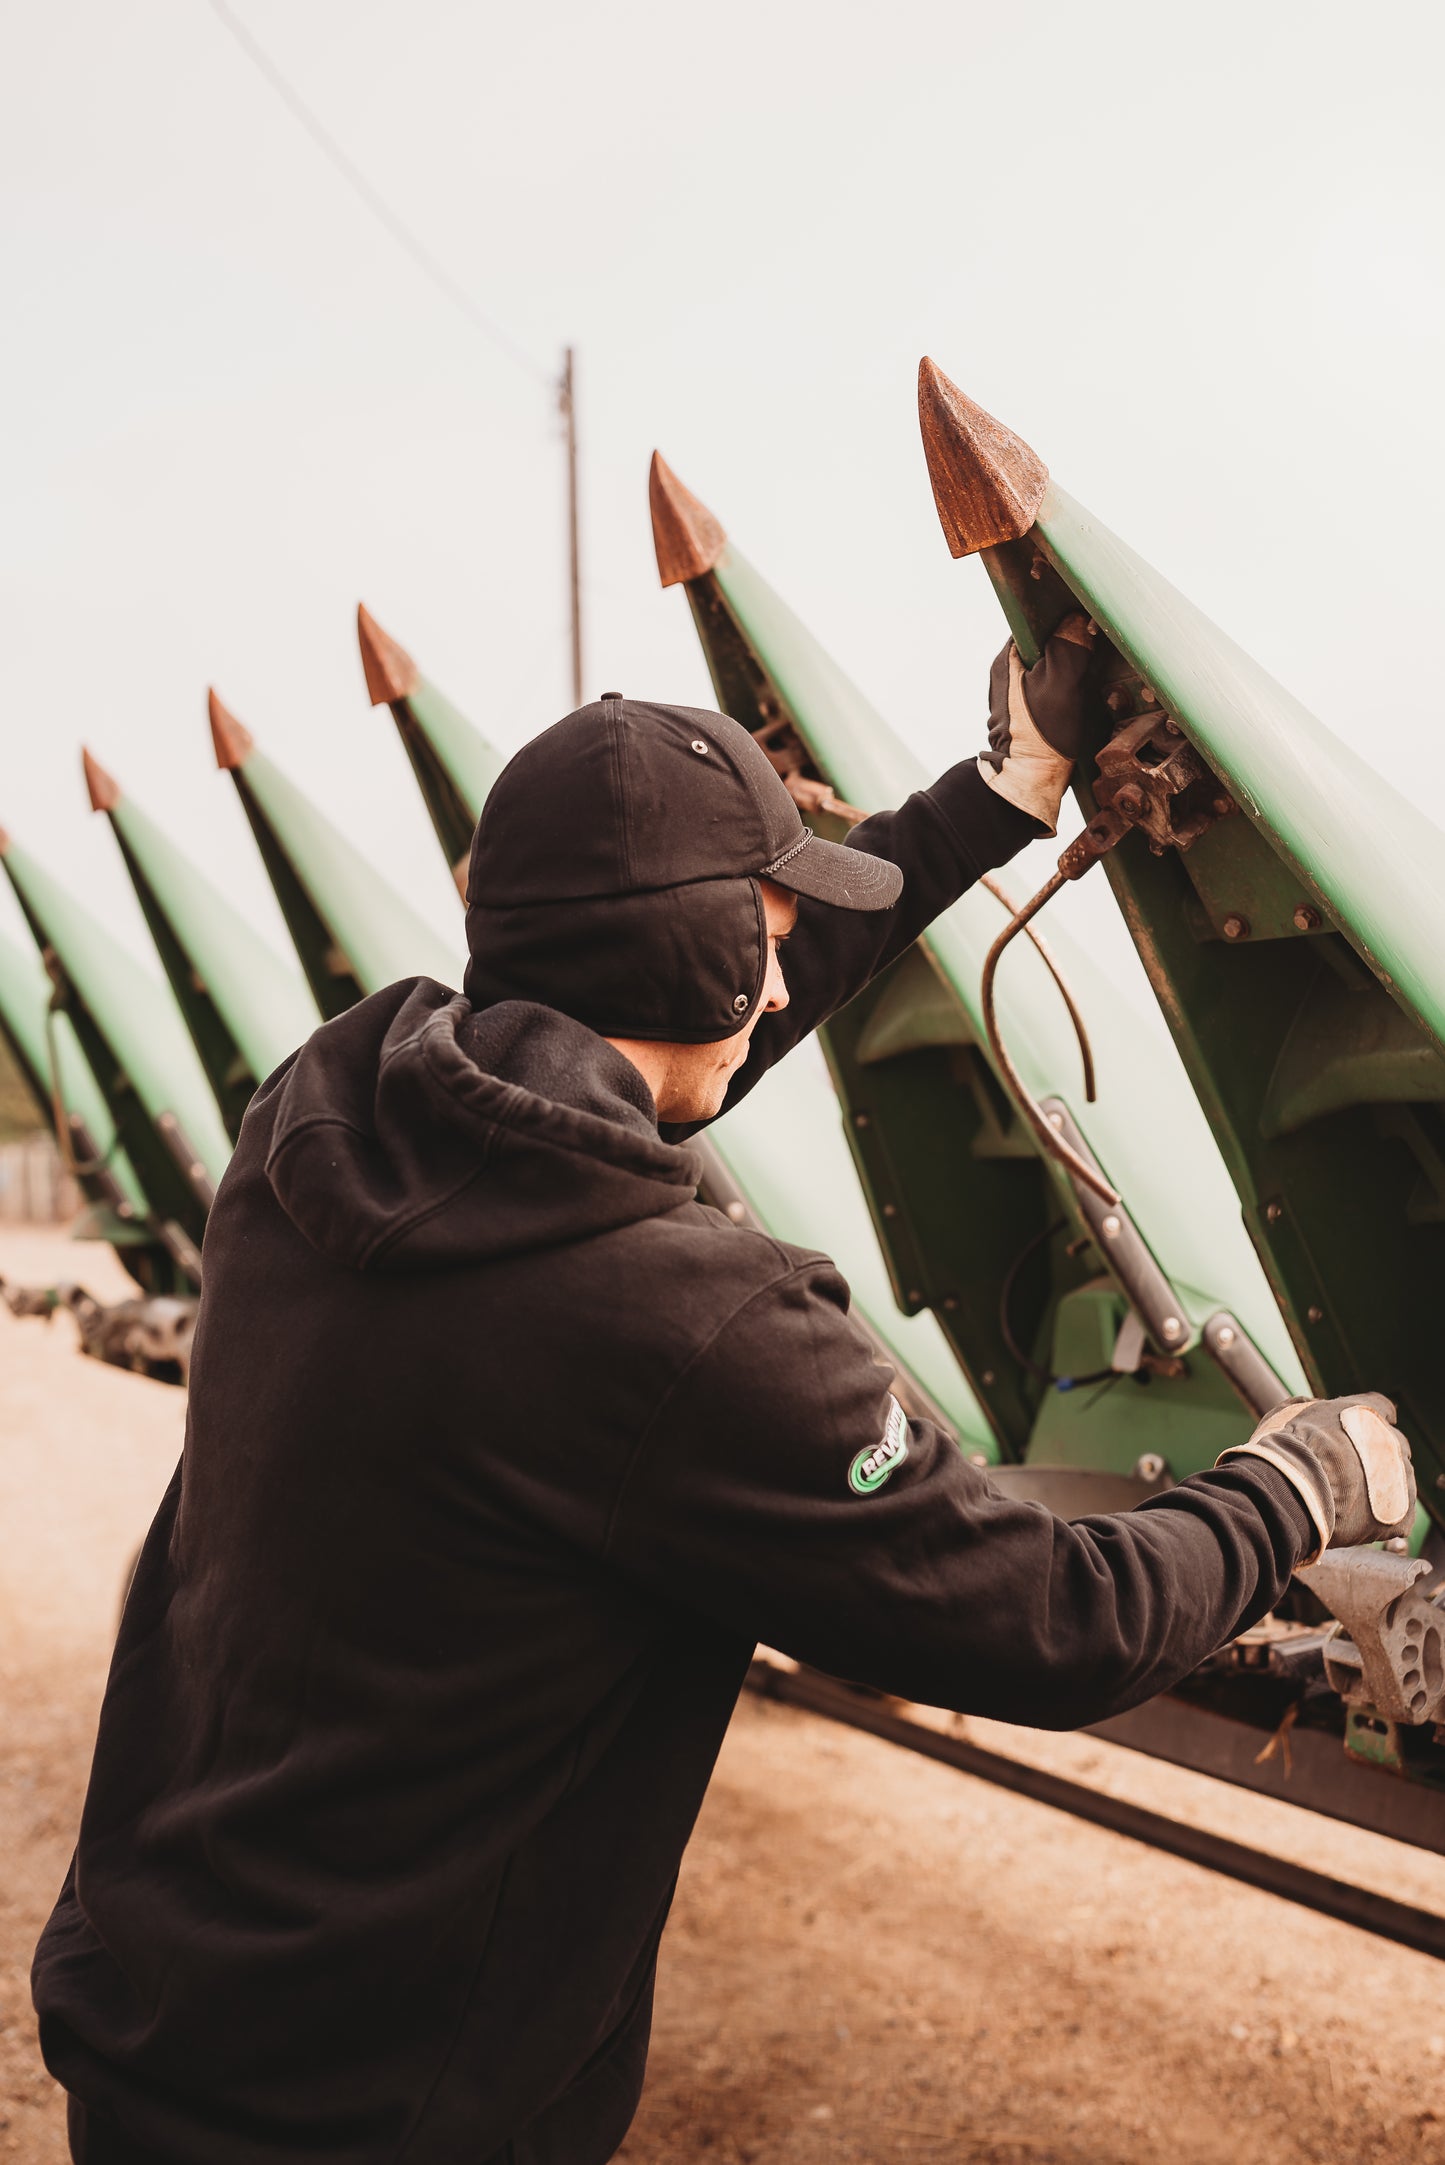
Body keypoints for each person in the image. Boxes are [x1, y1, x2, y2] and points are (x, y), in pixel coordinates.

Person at [35, 638, 1415, 2165]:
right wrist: (1292, 1486)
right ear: (690, 958)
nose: (774, 979)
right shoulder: (687, 1329)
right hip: (379, 2115)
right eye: (757, 935)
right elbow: (1050, 1620)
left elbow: (620, 1070)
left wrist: (993, 800)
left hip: (167, 2026)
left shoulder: (323, 1122)